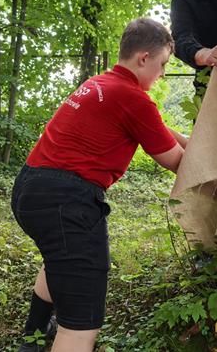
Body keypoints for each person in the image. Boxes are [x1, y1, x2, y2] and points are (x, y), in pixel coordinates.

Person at [11, 18, 186, 352]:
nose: (163, 73)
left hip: (30, 188)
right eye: (163, 64)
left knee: (60, 258)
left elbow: (163, 132)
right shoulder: (132, 98)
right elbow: (177, 161)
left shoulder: (102, 83)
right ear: (144, 58)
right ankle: (48, 339)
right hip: (67, 201)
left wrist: (209, 147)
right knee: (81, 325)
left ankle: (32, 339)